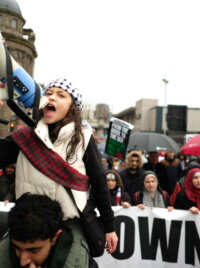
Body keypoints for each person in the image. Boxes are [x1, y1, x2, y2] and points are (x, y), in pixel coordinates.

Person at [0, 78, 118, 267]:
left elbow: (99, 184)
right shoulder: (24, 137)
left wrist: (109, 227)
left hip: (69, 224)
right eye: (48, 94)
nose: (51, 98)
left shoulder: (83, 139)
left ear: (73, 108)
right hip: (27, 223)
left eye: (61, 95)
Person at [0, 193, 74, 267]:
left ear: (55, 238)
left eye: (33, 250)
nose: (22, 262)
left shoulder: (76, 262)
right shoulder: (4, 253)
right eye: (17, 248)